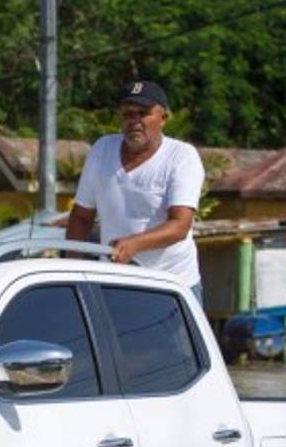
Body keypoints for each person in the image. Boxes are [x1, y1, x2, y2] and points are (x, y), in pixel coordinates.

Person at [65, 80, 205, 305]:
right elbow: (81, 216)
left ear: (163, 118)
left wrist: (134, 244)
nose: (135, 122)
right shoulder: (102, 149)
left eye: (143, 113)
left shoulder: (182, 157)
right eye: (128, 114)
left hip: (171, 288)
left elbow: (180, 225)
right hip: (114, 283)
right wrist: (72, 272)